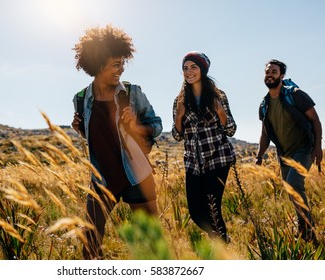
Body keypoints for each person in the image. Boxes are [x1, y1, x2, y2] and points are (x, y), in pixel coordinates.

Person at [71, 25, 162, 259]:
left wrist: (136, 127)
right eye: (115, 64)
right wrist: (81, 130)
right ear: (98, 63)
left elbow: (157, 125)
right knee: (90, 245)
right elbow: (97, 137)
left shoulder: (133, 93)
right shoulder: (81, 99)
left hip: (136, 177)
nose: (121, 69)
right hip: (101, 179)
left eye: (123, 63)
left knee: (153, 244)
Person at [172, 51, 237, 243]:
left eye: (193, 67)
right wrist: (179, 116)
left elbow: (231, 129)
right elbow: (177, 135)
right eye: (185, 68)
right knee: (195, 212)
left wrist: (220, 112)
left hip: (218, 158)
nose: (189, 71)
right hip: (193, 162)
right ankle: (222, 240)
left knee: (213, 209)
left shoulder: (218, 96)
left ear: (203, 69)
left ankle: (222, 251)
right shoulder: (180, 100)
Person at [255, 59, 322, 243]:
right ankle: (303, 226)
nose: (270, 74)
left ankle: (309, 230)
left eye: (274, 72)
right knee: (291, 190)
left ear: (282, 76)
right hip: (284, 154)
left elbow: (315, 121)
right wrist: (259, 156)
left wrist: (317, 147)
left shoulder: (296, 95)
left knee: (294, 184)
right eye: (267, 71)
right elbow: (265, 133)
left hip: (304, 148)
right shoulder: (265, 104)